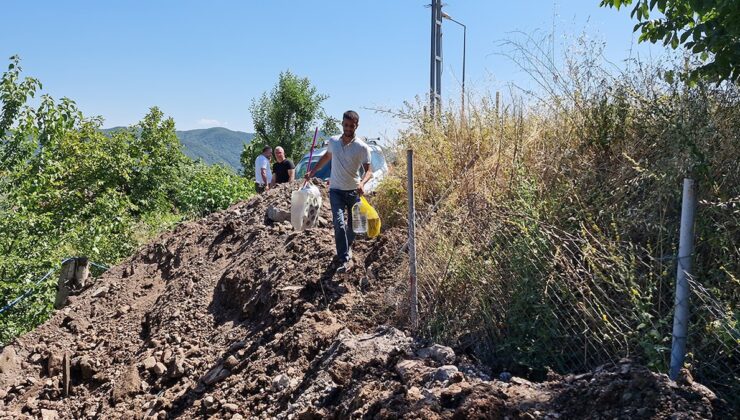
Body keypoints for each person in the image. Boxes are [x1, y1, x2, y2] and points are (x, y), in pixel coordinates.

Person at [305, 110, 372, 273]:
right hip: (335, 190)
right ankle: (343, 258)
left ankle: (346, 247)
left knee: (355, 226)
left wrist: (362, 183)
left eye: (352, 125)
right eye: (346, 125)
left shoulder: (362, 147)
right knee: (338, 223)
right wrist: (312, 172)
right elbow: (326, 158)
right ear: (342, 124)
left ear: (357, 126)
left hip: (354, 192)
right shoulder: (333, 141)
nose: (348, 128)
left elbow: (369, 171)